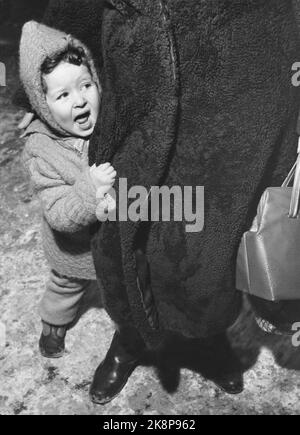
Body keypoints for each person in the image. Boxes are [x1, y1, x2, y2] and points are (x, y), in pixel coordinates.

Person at [16, 0, 300, 404]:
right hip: (140, 117)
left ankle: (207, 340)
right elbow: (66, 32)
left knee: (210, 248)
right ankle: (130, 341)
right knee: (132, 247)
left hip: (233, 109)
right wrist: (42, 102)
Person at [19, 20, 116, 359]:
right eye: (63, 95)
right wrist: (91, 188)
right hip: (74, 249)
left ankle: (132, 337)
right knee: (65, 288)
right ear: (42, 104)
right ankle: (52, 330)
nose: (80, 101)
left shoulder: (110, 122)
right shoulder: (41, 152)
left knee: (123, 290)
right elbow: (59, 214)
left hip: (114, 241)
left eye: (85, 85)